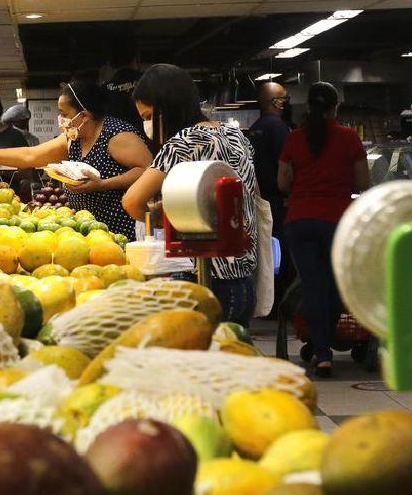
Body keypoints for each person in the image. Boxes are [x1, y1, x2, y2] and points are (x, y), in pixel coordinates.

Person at [121, 64, 259, 326]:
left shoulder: (184, 142)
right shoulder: (235, 135)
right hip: (243, 282)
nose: (147, 125)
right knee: (232, 352)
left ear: (167, 108)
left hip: (204, 281)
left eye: (149, 116)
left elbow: (132, 201)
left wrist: (165, 218)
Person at [0, 74, 152, 239]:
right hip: (86, 231)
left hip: (119, 231)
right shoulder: (73, 138)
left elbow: (147, 169)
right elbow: (29, 156)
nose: (61, 119)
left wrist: (102, 184)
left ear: (83, 116)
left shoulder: (115, 135)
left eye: (64, 113)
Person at [277, 82, 370, 377]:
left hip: (299, 221)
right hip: (337, 222)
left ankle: (322, 351)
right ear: (335, 108)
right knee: (334, 286)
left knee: (313, 284)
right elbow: (363, 183)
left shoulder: (294, 138)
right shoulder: (349, 138)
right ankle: (323, 348)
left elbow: (282, 183)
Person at [248, 82, 292, 316]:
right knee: (283, 256)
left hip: (260, 201)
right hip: (279, 202)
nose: (286, 103)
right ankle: (282, 305)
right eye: (283, 98)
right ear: (273, 102)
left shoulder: (255, 128)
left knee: (268, 255)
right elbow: (287, 166)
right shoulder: (277, 127)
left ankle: (270, 303)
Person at [101, 42, 145, 130]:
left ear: (110, 63)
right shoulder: (146, 79)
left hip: (117, 138)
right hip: (146, 137)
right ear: (135, 58)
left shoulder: (104, 89)